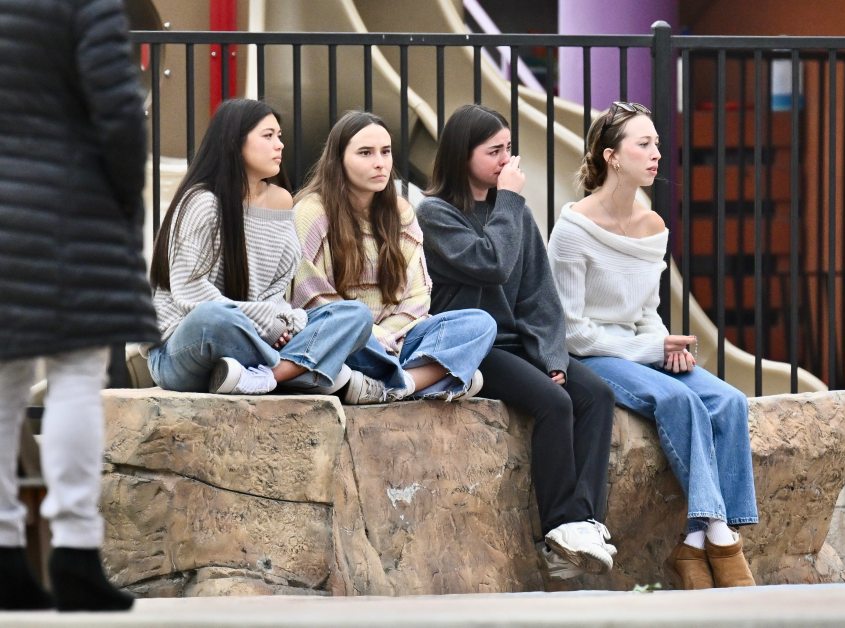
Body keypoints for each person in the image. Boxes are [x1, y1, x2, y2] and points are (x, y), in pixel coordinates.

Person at [547, 101, 758, 589]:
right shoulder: (573, 230)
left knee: (729, 401)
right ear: (612, 157)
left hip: (638, 347)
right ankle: (721, 535)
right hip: (592, 355)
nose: (657, 153)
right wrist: (651, 350)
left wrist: (666, 344)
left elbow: (645, 312)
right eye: (644, 144)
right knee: (679, 399)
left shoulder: (653, 226)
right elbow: (573, 331)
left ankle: (694, 543)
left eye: (657, 143)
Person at [0, 0, 157, 612]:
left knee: (3, 386)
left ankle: (5, 558)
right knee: (75, 375)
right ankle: (76, 554)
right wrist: (122, 199)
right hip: (68, 204)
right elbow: (119, 112)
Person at [416, 104, 617, 580]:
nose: (506, 160)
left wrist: (552, 357)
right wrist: (508, 199)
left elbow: (538, 295)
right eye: (494, 151)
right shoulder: (435, 214)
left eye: (508, 149)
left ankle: (583, 523)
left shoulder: (516, 213)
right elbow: (492, 264)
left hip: (521, 343)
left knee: (595, 394)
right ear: (462, 154)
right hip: (473, 347)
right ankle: (561, 524)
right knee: (554, 403)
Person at [147, 99, 377, 403]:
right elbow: (190, 293)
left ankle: (268, 377)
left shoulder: (281, 201)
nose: (279, 145)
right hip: (183, 350)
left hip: (254, 348)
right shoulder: (202, 202)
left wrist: (281, 322)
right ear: (234, 142)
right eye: (268, 136)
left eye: (279, 136)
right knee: (214, 317)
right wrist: (268, 325)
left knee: (354, 314)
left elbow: (276, 291)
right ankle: (306, 372)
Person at [291, 111, 495, 403]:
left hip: (397, 341)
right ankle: (429, 378)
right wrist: (370, 335)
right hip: (344, 340)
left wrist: (387, 339)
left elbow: (418, 297)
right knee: (353, 319)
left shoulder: (401, 212)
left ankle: (396, 385)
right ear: (339, 159)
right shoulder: (311, 211)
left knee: (480, 324)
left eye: (385, 152)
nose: (380, 163)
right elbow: (308, 295)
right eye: (365, 153)